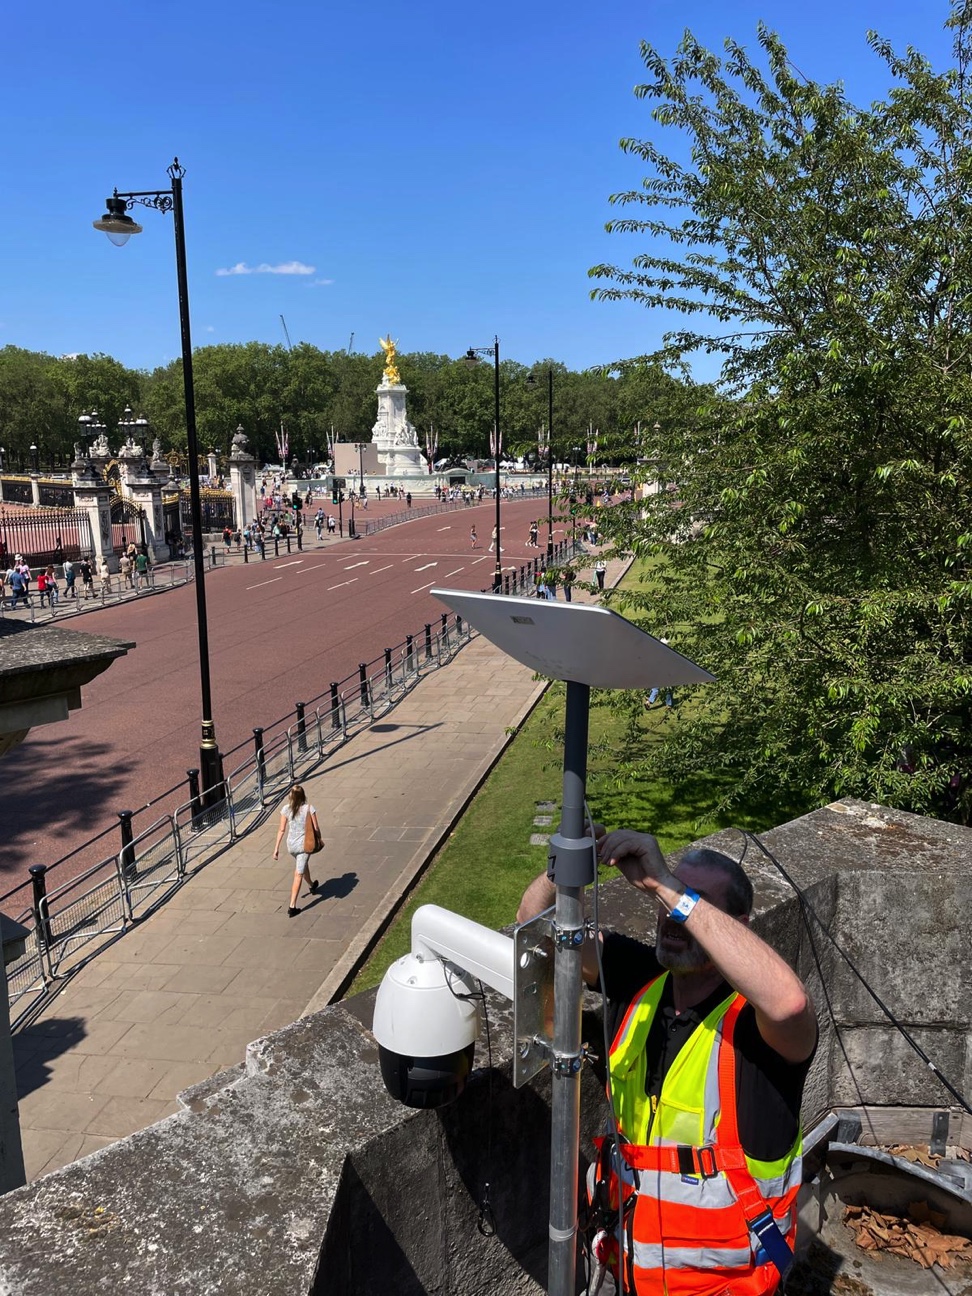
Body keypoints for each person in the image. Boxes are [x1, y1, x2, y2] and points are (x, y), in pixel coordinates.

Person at [517, 830, 816, 1296]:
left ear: (737, 924)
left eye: (692, 904)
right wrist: (568, 865)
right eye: (668, 904)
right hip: (630, 1273)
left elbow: (790, 1004)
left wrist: (667, 887)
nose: (672, 919)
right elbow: (537, 929)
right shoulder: (640, 980)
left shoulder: (756, 1030)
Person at [272, 783, 322, 917]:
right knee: (298, 874)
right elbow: (316, 828)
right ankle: (292, 906)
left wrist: (276, 848)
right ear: (303, 796)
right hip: (303, 846)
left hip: (291, 846)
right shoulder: (309, 809)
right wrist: (319, 838)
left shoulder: (285, 809)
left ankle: (312, 885)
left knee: (302, 865)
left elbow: (281, 830)